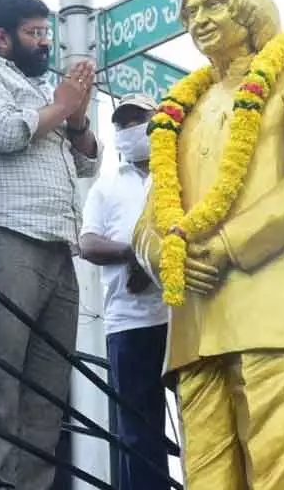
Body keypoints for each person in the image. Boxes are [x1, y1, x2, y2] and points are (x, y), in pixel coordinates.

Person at [131, 0, 284, 489]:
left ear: (246, 10)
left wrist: (227, 245)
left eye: (212, 6)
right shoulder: (179, 112)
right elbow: (146, 222)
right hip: (193, 325)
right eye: (191, 12)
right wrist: (163, 255)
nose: (198, 20)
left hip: (272, 310)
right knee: (205, 478)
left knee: (282, 474)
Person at [0, 0, 102, 490]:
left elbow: (88, 163)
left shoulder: (41, 90)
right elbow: (7, 132)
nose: (44, 45)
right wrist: (61, 107)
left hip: (58, 245)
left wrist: (75, 120)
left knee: (48, 387)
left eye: (45, 35)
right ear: (2, 37)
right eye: (34, 34)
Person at [80, 93, 171, 490]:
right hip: (128, 321)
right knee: (138, 429)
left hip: (181, 315)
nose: (130, 129)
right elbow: (87, 243)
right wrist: (135, 254)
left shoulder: (178, 173)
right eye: (122, 123)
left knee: (198, 415)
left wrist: (149, 262)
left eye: (139, 120)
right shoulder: (106, 187)